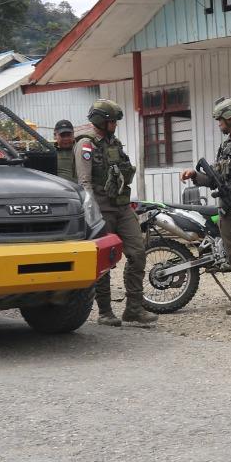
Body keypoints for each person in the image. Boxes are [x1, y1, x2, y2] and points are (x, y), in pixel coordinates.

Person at [75, 99, 157, 329]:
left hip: (122, 207)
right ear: (102, 121)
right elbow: (85, 182)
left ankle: (134, 308)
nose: (116, 125)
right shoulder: (86, 145)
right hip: (101, 210)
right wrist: (92, 214)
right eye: (112, 121)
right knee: (105, 260)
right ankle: (105, 311)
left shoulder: (115, 143)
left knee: (138, 252)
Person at [181, 98, 231, 314]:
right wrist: (195, 175)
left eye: (220, 120)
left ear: (229, 117)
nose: (219, 125)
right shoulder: (225, 146)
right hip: (226, 208)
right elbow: (215, 178)